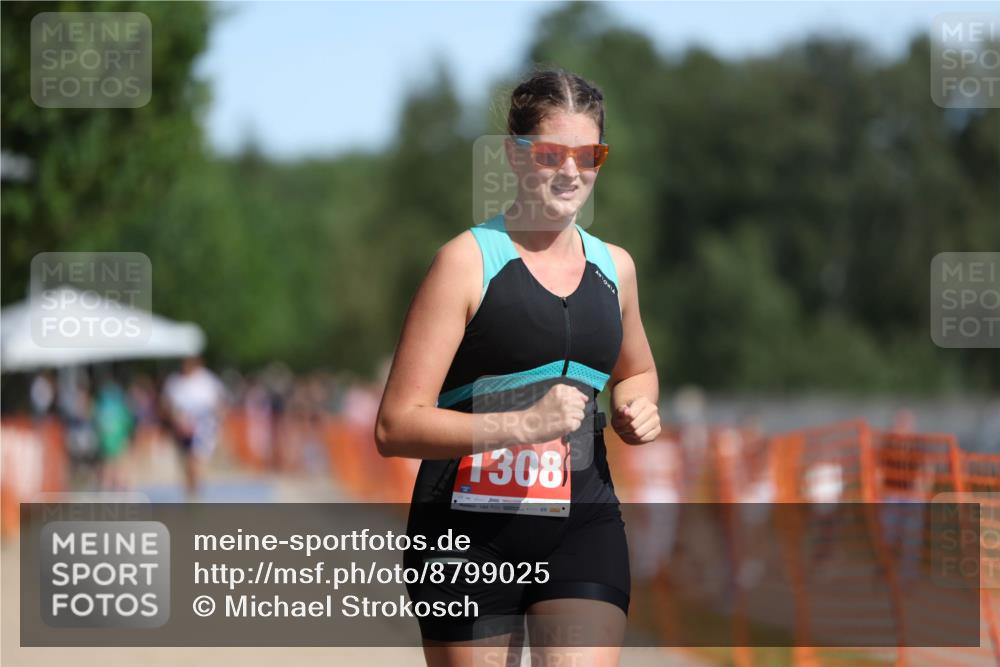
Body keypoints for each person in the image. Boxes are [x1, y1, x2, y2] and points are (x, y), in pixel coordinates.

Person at [375, 68, 661, 667]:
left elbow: (637, 370)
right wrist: (520, 425)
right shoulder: (465, 262)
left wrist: (638, 407)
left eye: (590, 154)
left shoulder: (617, 268)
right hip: (466, 533)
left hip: (582, 526)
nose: (571, 171)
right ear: (514, 154)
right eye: (551, 153)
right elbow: (396, 426)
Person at [162, 356, 227, 497]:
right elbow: (166, 406)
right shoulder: (175, 382)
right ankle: (191, 493)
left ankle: (196, 495)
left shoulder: (208, 381)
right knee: (186, 464)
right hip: (181, 429)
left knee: (196, 461)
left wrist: (213, 423)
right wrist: (177, 420)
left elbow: (220, 404)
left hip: (203, 428)